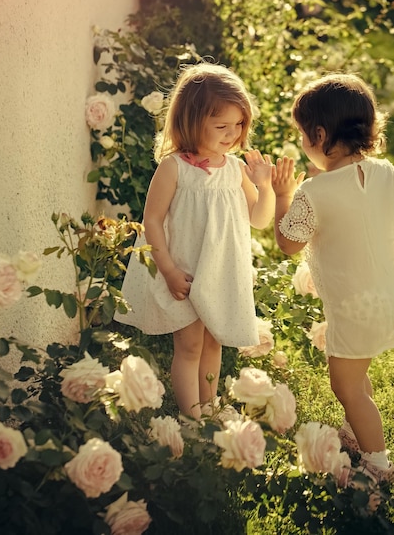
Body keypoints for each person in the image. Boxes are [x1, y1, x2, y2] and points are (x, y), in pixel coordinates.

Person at [118, 62, 275, 419]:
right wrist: (169, 270)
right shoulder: (174, 168)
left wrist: (264, 187)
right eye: (221, 126)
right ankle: (191, 416)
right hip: (185, 273)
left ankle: (210, 407)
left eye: (239, 124)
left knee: (213, 341)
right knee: (189, 345)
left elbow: (259, 219)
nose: (232, 133)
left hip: (218, 273)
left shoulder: (235, 170)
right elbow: (152, 221)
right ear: (191, 121)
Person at [271, 72, 394, 484]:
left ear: (320, 135)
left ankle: (377, 465)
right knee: (357, 377)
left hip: (352, 308)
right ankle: (359, 435)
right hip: (386, 297)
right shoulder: (386, 174)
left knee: (347, 386)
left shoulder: (314, 192)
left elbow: (288, 242)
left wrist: (284, 194)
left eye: (304, 135)